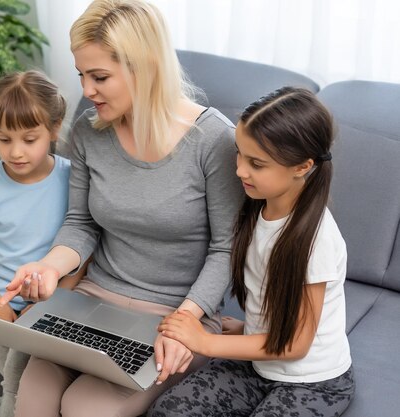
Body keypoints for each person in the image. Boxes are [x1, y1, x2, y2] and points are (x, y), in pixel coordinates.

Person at [0, 1, 243, 416]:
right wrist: (49, 268)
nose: (86, 91)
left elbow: (227, 248)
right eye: (81, 75)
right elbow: (80, 224)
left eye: (100, 77)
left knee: (86, 407)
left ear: (145, 68)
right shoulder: (87, 131)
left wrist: (186, 322)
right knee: (33, 396)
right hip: (92, 299)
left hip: (173, 314)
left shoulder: (214, 140)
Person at [148, 87, 355, 417]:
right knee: (169, 410)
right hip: (258, 362)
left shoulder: (317, 241)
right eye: (239, 155)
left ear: (302, 167)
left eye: (256, 164)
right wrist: (249, 329)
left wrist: (206, 342)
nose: (240, 171)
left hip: (312, 381)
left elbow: (296, 344)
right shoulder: (256, 208)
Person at [0, 70, 83, 417]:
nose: (16, 151)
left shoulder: (72, 178)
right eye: (4, 139)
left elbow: (84, 247)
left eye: (29, 138)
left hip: (56, 296)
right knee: (19, 381)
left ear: (54, 130)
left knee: (29, 384)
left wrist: (57, 299)